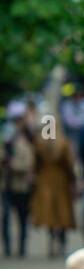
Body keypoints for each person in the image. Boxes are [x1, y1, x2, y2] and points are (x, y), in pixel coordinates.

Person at [31, 125, 78, 258]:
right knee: (62, 213)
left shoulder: (40, 143)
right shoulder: (63, 142)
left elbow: (36, 163)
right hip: (61, 181)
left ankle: (52, 241)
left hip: (45, 180)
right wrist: (73, 180)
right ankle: (62, 242)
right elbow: (69, 164)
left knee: (50, 213)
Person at [2, 109, 35, 257]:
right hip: (6, 185)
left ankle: (22, 247)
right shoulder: (7, 141)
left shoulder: (27, 141)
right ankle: (7, 247)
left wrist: (12, 165)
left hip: (21, 186)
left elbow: (27, 163)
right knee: (6, 217)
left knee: (22, 218)